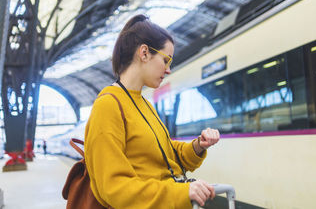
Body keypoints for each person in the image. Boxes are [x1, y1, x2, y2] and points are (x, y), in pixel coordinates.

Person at [84, 14, 220, 209]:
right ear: (144, 53)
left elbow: (167, 154)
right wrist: (179, 192)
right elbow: (113, 187)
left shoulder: (145, 105)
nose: (168, 70)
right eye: (165, 60)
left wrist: (199, 146)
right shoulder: (108, 105)